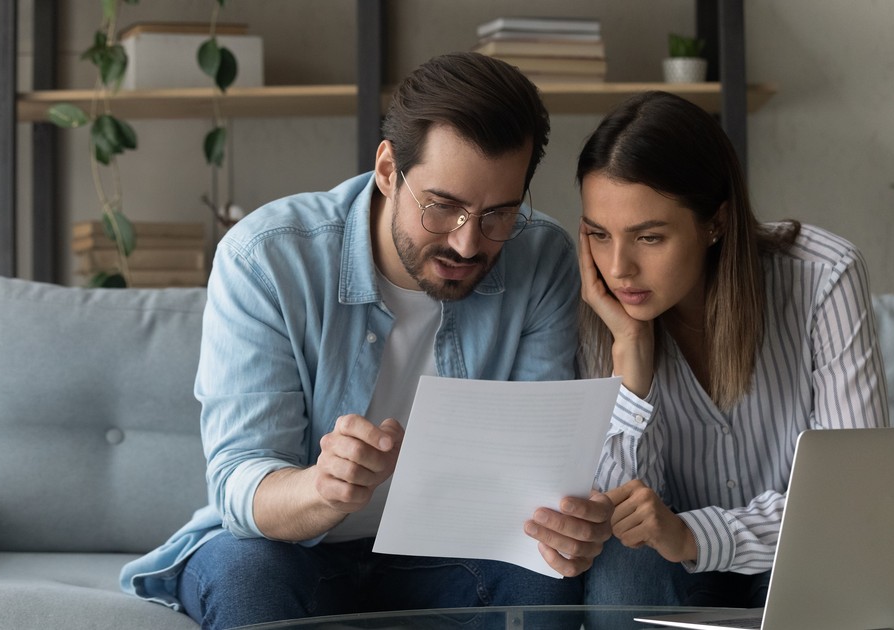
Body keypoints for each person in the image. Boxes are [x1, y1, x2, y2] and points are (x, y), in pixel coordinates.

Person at [120, 52, 613, 629]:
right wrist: (321, 489)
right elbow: (238, 481)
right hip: (291, 549)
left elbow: (536, 475)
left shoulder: (541, 258)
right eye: (443, 206)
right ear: (387, 169)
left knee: (544, 580)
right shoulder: (265, 260)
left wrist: (567, 521)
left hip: (446, 556)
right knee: (244, 575)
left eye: (498, 214)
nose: (467, 243)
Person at [575, 91, 889, 611]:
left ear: (715, 223)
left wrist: (695, 535)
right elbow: (613, 512)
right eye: (598, 235)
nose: (618, 267)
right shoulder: (596, 306)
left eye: (649, 238)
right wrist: (631, 361)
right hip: (666, 570)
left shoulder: (824, 277)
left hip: (802, 557)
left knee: (832, 586)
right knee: (623, 568)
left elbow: (853, 495)